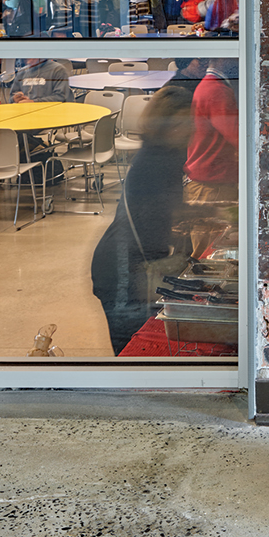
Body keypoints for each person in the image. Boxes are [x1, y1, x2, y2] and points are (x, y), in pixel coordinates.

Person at [88, 55, 207, 353]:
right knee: (135, 353)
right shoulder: (154, 163)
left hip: (126, 265)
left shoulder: (162, 155)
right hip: (122, 272)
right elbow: (158, 224)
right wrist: (205, 214)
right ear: (167, 126)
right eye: (183, 123)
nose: (191, 129)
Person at [183, 57, 239, 206]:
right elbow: (239, 138)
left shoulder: (210, 86)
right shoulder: (216, 90)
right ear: (223, 59)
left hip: (209, 182)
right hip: (212, 186)